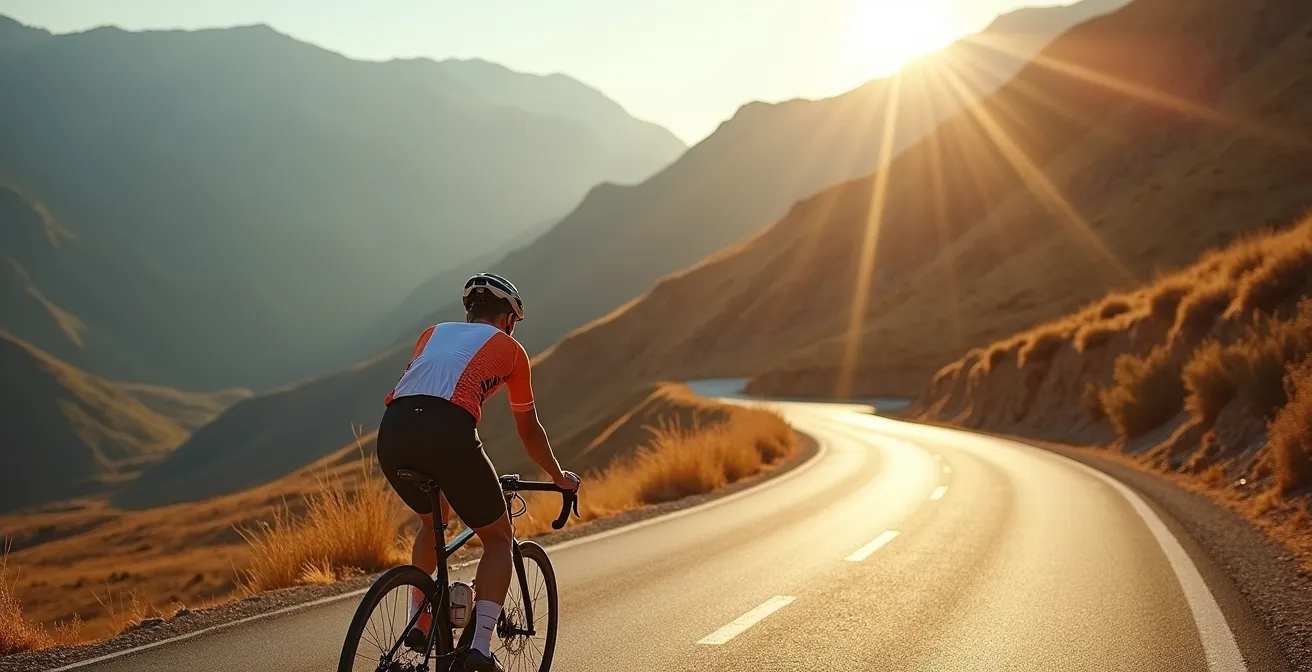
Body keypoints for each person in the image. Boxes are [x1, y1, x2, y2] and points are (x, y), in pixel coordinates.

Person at [376, 272, 580, 672]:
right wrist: (559, 476)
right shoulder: (512, 351)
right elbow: (528, 428)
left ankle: (420, 619)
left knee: (434, 521)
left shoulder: (432, 333)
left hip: (393, 431)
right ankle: (480, 650)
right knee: (499, 538)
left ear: (470, 312)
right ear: (508, 318)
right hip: (448, 432)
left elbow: (421, 388)